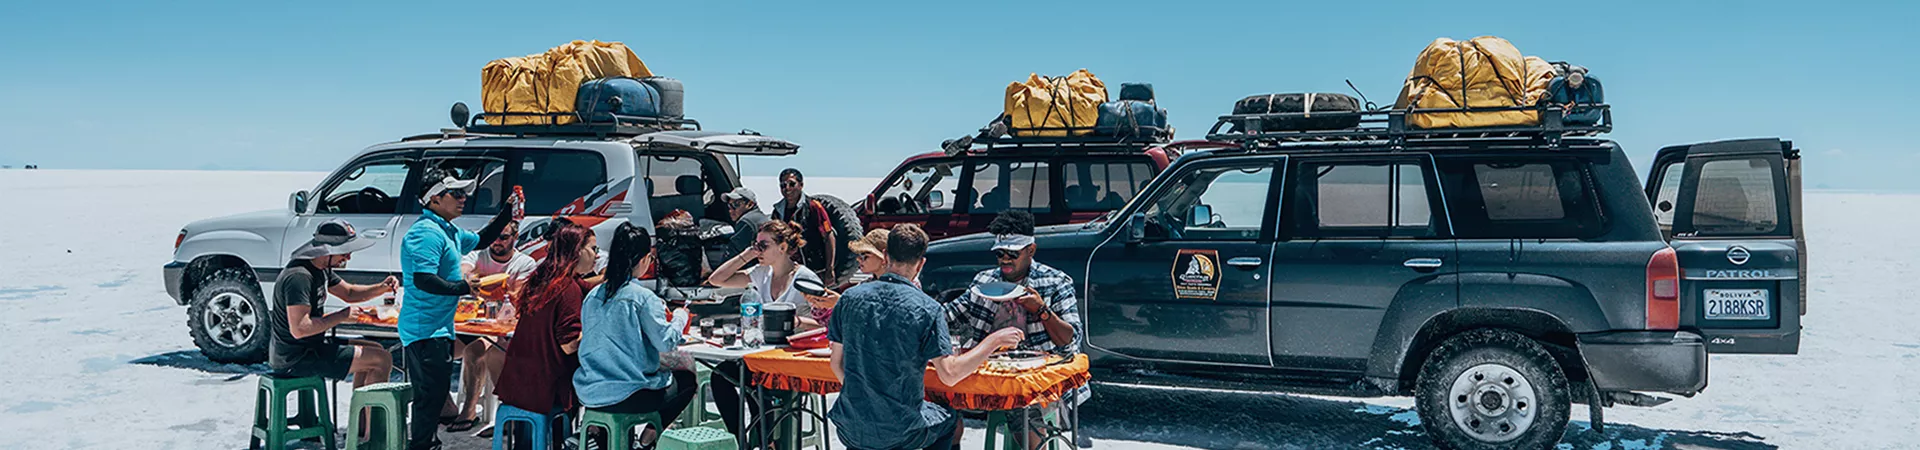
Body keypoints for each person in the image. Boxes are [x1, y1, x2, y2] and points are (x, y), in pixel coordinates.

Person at [827, 224, 1026, 450]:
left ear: (885, 255)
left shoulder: (848, 298)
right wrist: (995, 340)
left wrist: (867, 396)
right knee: (949, 420)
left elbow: (836, 363)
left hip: (850, 426)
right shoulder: (927, 308)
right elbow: (950, 375)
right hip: (899, 431)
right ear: (921, 264)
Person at [400, 169, 520, 450]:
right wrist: (465, 288)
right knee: (429, 398)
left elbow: (481, 239)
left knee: (435, 394)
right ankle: (422, 445)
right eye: (455, 193)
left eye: (463, 192)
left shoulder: (447, 229)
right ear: (434, 199)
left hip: (439, 327)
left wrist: (506, 213)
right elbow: (423, 279)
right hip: (424, 329)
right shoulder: (427, 233)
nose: (463, 198)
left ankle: (428, 443)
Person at [947, 210, 1087, 447]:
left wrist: (1041, 309)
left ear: (1030, 251)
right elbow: (949, 314)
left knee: (1023, 412)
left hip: (1038, 381)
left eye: (1012, 254)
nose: (1004, 260)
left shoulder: (1054, 282)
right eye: (999, 253)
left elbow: (1069, 339)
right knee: (941, 405)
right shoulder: (985, 282)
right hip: (992, 377)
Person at [575, 223, 698, 448]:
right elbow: (664, 343)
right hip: (629, 393)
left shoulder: (592, 295)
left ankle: (605, 439)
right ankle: (649, 437)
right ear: (643, 260)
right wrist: (680, 317)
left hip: (590, 392)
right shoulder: (642, 297)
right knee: (687, 379)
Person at [703, 220, 823, 442]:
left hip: (790, 357)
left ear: (783, 247)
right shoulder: (761, 274)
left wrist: (796, 321)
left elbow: (825, 325)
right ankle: (741, 440)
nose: (758, 250)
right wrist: (748, 254)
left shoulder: (804, 277)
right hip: (763, 354)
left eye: (763, 245)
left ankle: (766, 442)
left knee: (755, 384)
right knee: (720, 376)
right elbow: (716, 280)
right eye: (756, 245)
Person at [493, 224, 595, 449]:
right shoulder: (568, 289)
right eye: (593, 249)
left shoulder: (545, 276)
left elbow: (589, 286)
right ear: (578, 251)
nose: (597, 256)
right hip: (546, 388)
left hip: (517, 382)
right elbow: (569, 345)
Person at [267, 219, 395, 386]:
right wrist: (341, 316)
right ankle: (373, 412)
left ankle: (362, 412)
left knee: (375, 348)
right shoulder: (299, 277)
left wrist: (382, 288)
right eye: (344, 252)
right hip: (295, 358)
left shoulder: (321, 269)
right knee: (381, 359)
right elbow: (300, 329)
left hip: (312, 345)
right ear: (327, 251)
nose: (348, 257)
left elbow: (349, 293)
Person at [449, 220, 535, 433]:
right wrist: (469, 278)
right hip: (471, 323)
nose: (497, 242)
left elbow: (517, 295)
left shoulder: (525, 263)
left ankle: (469, 410)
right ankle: (444, 407)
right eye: (494, 237)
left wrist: (480, 287)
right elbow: (463, 272)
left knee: (475, 352)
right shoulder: (478, 254)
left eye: (503, 237)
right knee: (434, 348)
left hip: (503, 328)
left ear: (514, 238)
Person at [769, 169, 838, 284]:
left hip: (814, 269)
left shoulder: (813, 207)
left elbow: (828, 236)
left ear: (801, 185)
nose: (787, 188)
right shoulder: (778, 211)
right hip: (789, 271)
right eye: (783, 185)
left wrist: (829, 269)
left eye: (792, 184)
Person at [723, 187, 771, 261]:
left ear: (750, 204)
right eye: (729, 205)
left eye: (736, 204)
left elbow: (731, 254)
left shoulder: (746, 222)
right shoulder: (758, 217)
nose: (731, 210)